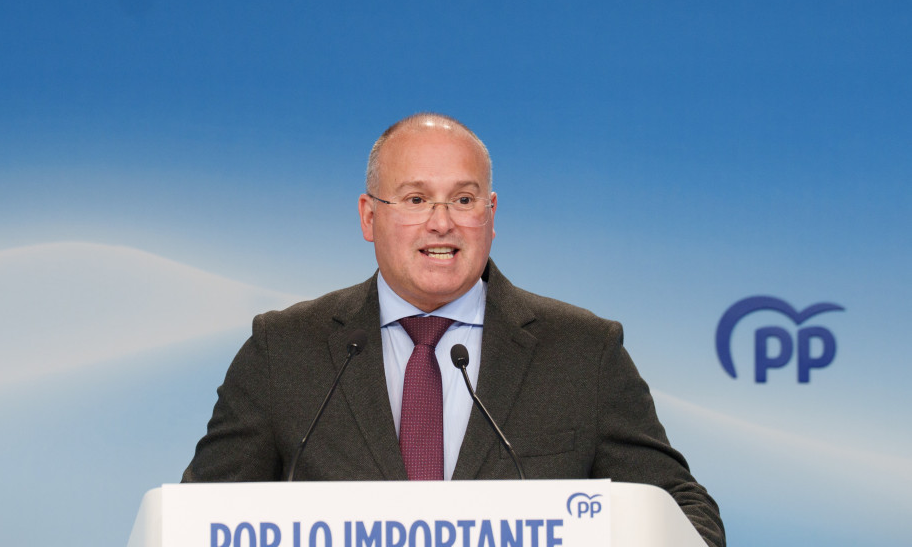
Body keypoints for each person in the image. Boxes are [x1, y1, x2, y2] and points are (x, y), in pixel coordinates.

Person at [182, 113, 725, 547]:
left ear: (490, 214)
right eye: (416, 199)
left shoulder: (583, 351)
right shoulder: (284, 350)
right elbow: (196, 518)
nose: (441, 222)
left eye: (463, 200)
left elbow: (683, 510)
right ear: (369, 217)